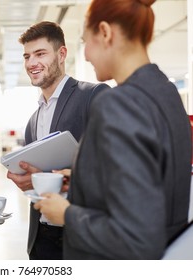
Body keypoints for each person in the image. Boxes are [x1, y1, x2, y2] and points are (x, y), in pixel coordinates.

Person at [34, 0, 191, 259]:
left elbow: (136, 236)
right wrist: (85, 181)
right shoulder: (167, 93)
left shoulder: (119, 102)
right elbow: (152, 183)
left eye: (86, 42)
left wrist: (66, 213)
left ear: (105, 32)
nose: (85, 55)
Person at [7, 21, 109, 259]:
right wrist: (29, 180)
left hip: (81, 237)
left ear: (62, 54)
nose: (31, 63)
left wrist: (61, 177)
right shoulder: (33, 121)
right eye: (27, 56)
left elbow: (116, 167)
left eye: (40, 54)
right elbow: (39, 177)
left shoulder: (93, 96)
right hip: (42, 238)